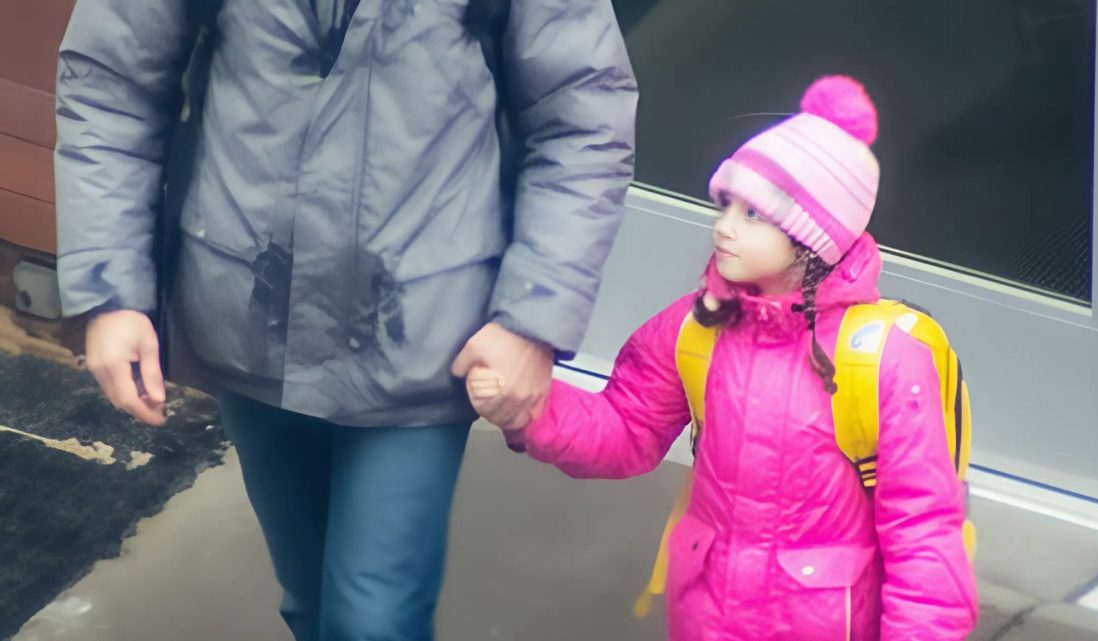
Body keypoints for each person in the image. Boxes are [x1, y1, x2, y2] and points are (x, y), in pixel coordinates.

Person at [53, 1, 637, 639]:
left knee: (371, 621)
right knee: (310, 602)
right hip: (246, 315)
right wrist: (112, 291)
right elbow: (112, 86)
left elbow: (582, 123)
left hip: (418, 337)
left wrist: (532, 318)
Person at [466, 76, 979, 640]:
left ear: (812, 239)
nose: (724, 226)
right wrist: (530, 411)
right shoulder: (698, 327)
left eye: (753, 214)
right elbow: (625, 428)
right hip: (707, 619)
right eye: (726, 204)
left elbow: (924, 536)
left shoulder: (883, 357)